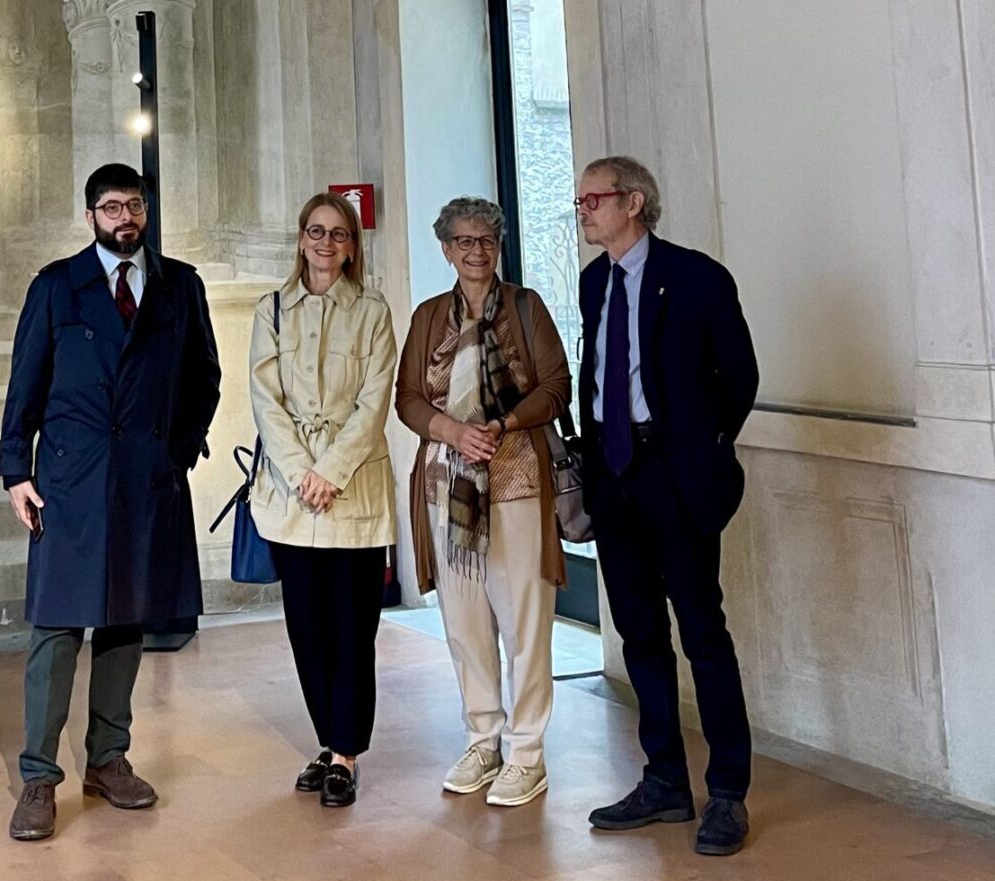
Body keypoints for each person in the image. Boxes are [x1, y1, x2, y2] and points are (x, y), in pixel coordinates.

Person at [0, 163, 222, 841]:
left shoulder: (181, 285)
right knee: (57, 628)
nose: (126, 218)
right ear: (91, 215)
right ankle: (39, 778)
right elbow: (25, 384)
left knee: (126, 623)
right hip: (69, 482)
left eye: (135, 206)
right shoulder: (55, 286)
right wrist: (16, 470)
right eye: (112, 207)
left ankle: (107, 759)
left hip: (145, 478)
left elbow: (204, 378)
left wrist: (176, 451)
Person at [574, 156, 758, 856]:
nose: (584, 211)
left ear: (635, 202)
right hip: (613, 477)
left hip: (674, 478)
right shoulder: (594, 282)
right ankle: (664, 781)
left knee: (702, 633)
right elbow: (599, 374)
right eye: (580, 201)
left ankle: (728, 792)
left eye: (594, 199)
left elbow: (739, 377)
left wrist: (700, 450)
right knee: (640, 635)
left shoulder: (696, 277)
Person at [394, 197, 572, 808]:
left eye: (487, 241)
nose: (477, 251)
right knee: (465, 624)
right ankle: (482, 739)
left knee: (525, 624)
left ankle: (527, 753)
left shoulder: (525, 307)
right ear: (446, 249)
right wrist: (452, 431)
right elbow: (409, 398)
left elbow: (556, 387)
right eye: (465, 242)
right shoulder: (427, 317)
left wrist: (503, 424)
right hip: (447, 488)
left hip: (518, 480)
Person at [249, 192, 397, 808]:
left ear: (353, 245)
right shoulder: (271, 310)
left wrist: (330, 472)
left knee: (352, 630)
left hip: (353, 490)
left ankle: (346, 754)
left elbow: (375, 401)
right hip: (293, 498)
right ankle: (327, 740)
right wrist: (299, 472)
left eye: (339, 233)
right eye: (316, 231)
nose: (326, 243)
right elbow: (265, 400)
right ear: (301, 239)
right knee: (307, 631)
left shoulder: (373, 311)